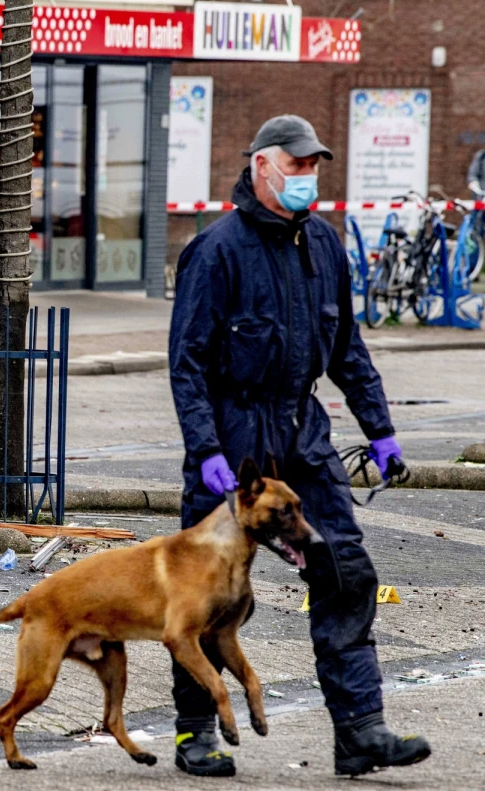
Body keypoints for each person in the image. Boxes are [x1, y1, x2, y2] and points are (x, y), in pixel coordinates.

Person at [168, 115, 432, 778]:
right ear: (262, 165)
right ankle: (195, 732)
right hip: (235, 441)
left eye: (315, 165)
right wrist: (206, 448)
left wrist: (380, 428)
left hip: (302, 433)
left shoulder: (323, 244)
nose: (308, 176)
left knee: (345, 571)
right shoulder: (216, 250)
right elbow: (187, 363)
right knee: (207, 595)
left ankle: (360, 730)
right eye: (297, 164)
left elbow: (347, 349)